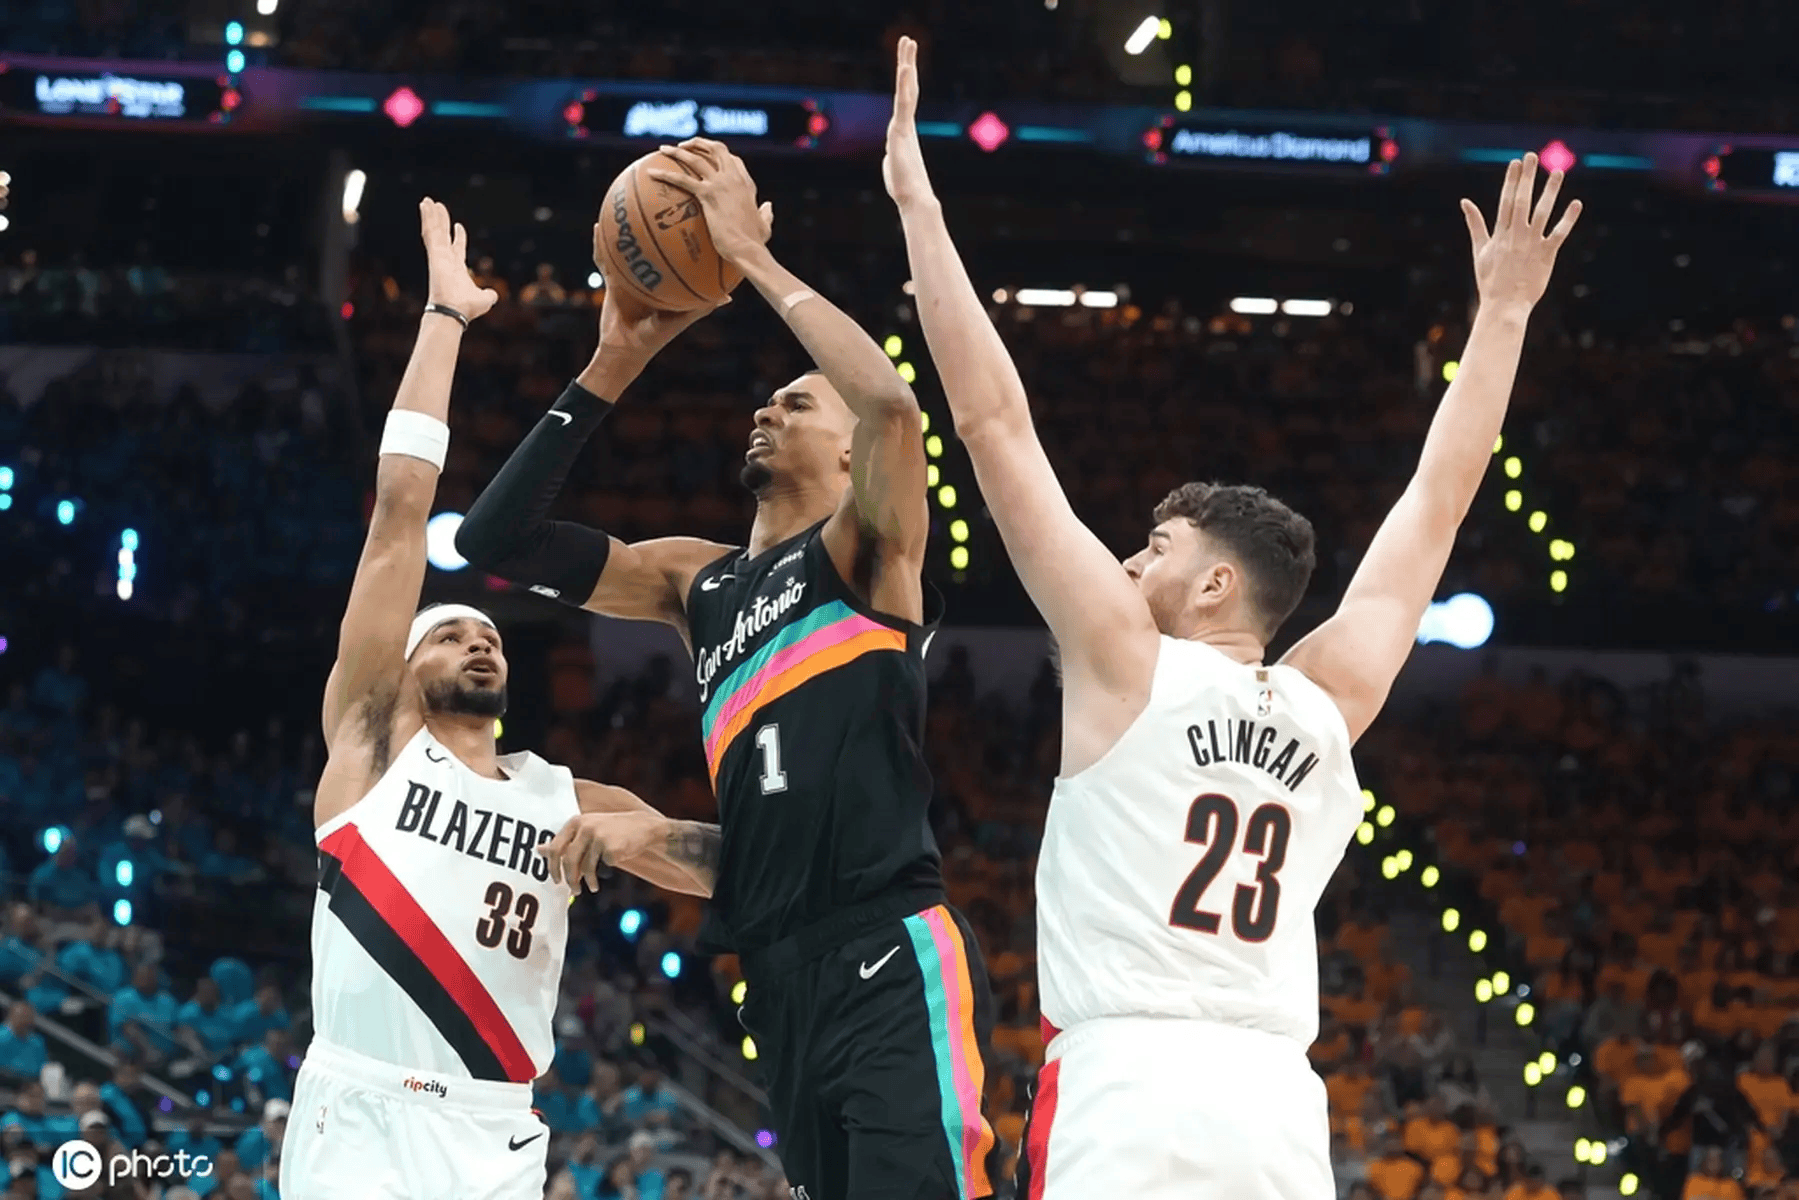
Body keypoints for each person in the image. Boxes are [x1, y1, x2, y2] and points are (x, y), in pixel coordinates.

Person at [883, 34, 1580, 1200]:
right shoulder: (1326, 700)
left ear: (1213, 585)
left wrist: (917, 205)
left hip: (1125, 1085)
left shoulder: (1122, 660)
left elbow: (993, 424)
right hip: (1271, 1107)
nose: (1123, 561)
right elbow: (1438, 500)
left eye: (1155, 548)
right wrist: (1503, 312)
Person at [456, 139, 998, 1200]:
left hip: (888, 948)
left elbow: (892, 408)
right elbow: (495, 541)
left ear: (846, 454)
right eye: (767, 401)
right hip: (779, 977)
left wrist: (747, 255)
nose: (766, 409)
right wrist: (613, 361)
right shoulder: (692, 584)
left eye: (797, 403)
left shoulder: (865, 552)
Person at [276, 199, 719, 1200]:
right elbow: (400, 514)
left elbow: (734, 871)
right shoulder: (374, 744)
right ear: (403, 670)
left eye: (489, 635)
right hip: (361, 1106)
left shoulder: (566, 799)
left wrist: (646, 837)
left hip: (495, 1128)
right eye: (449, 634)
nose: (478, 639)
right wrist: (444, 319)